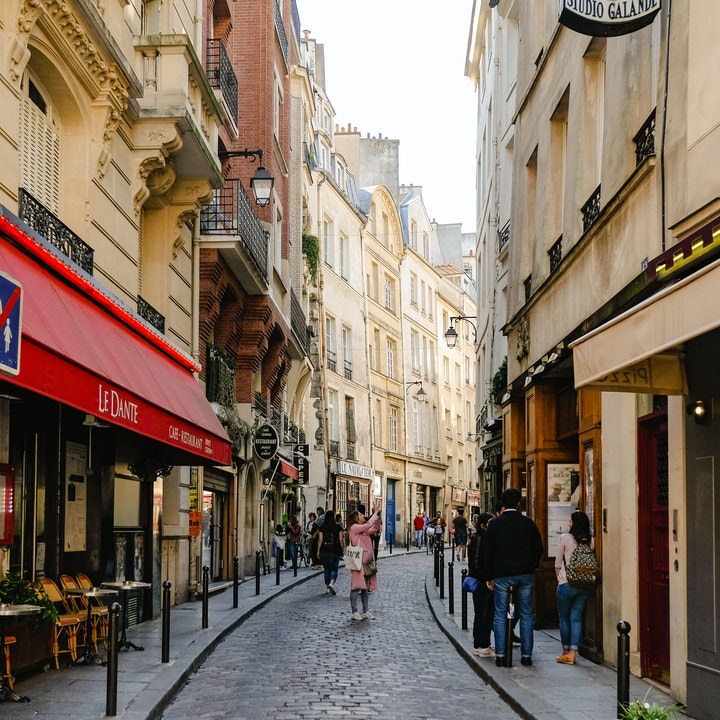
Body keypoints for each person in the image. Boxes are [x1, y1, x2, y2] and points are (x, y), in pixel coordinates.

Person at [485, 487, 543, 667]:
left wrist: (489, 576)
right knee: (526, 613)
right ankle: (526, 656)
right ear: (519, 504)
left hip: (502, 575)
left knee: (500, 614)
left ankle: (501, 655)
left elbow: (489, 552)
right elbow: (538, 548)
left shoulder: (494, 524)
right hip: (525, 574)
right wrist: (531, 565)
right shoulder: (528, 523)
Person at [554, 511, 594, 665]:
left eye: (570, 521)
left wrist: (560, 578)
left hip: (566, 583)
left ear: (574, 523)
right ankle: (572, 653)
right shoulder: (591, 541)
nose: (569, 523)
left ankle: (565, 651)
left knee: (564, 618)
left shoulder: (565, 538)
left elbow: (558, 563)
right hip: (584, 584)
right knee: (576, 618)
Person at [347, 505, 382, 619]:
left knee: (365, 588)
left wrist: (378, 518)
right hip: (358, 562)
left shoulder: (363, 529)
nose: (363, 516)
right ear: (356, 518)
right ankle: (354, 612)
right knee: (356, 587)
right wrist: (375, 514)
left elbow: (373, 529)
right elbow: (368, 525)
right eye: (361, 515)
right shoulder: (354, 528)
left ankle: (365, 610)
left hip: (366, 562)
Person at [468, 512, 495, 657]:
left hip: (480, 581)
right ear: (483, 525)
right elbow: (477, 562)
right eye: (490, 523)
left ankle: (479, 644)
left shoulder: (479, 538)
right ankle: (483, 645)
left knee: (481, 613)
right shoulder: (479, 539)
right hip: (481, 582)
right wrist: (486, 578)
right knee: (484, 614)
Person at [317, 509, 344, 594]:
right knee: (334, 568)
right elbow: (341, 540)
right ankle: (331, 583)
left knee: (326, 569)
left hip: (324, 550)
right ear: (333, 517)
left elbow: (320, 539)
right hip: (335, 550)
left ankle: (327, 587)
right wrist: (342, 549)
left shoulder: (322, 527)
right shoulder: (338, 527)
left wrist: (318, 550)